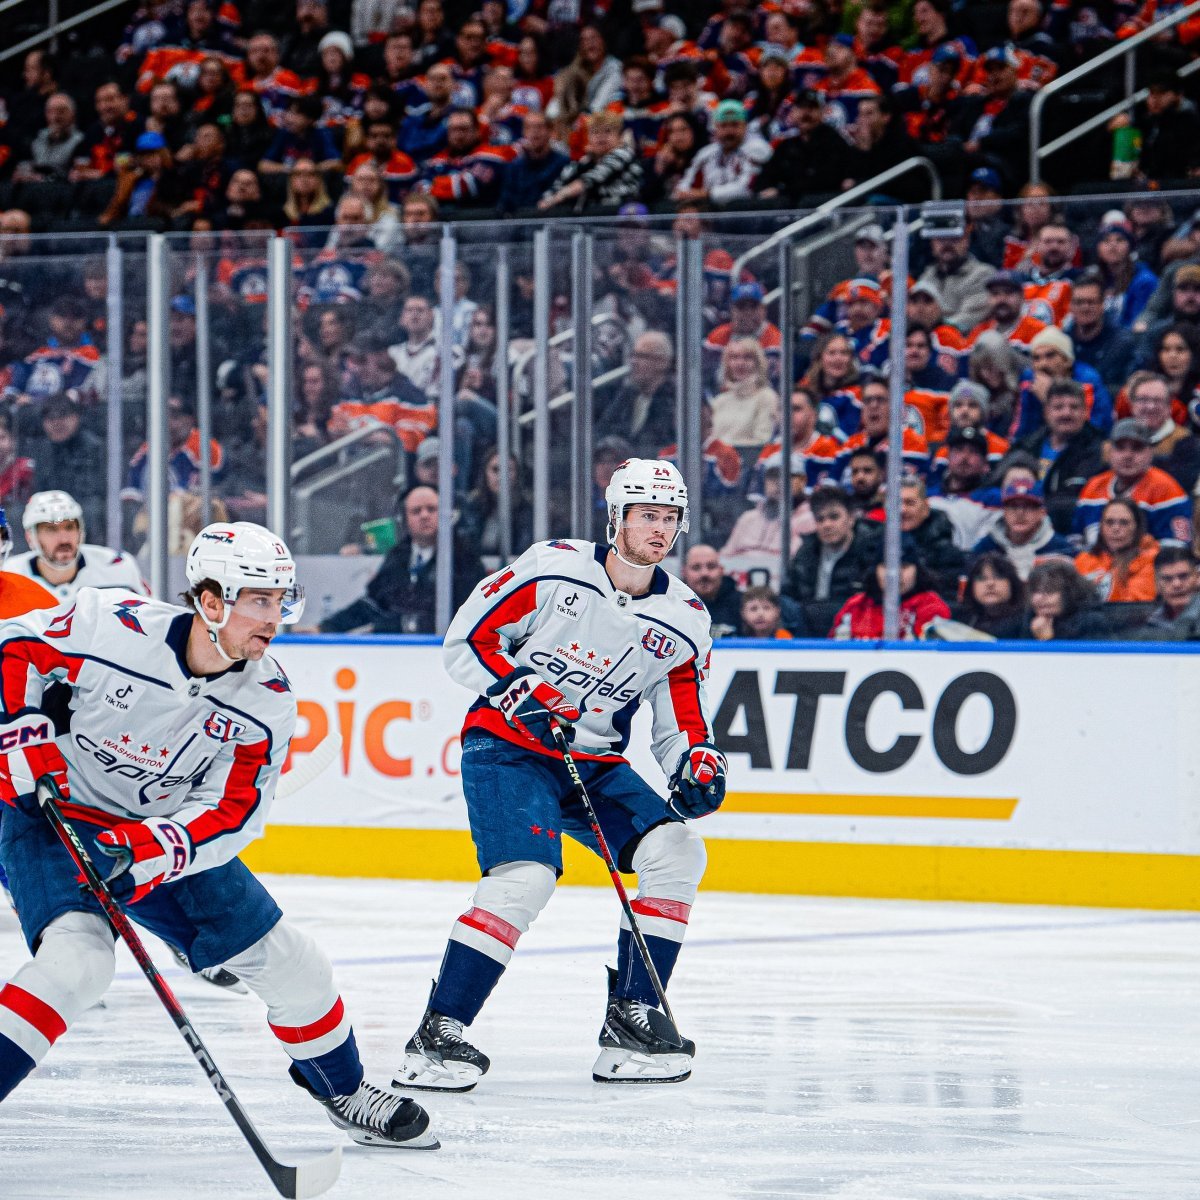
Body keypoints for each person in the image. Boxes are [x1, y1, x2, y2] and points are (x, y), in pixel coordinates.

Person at [0, 522, 438, 1147]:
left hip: (151, 838)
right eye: (260, 600)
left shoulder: (268, 700)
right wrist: (23, 728)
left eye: (281, 599)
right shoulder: (112, 625)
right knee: (79, 965)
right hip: (51, 816)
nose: (275, 616)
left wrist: (150, 851)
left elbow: (233, 813)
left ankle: (342, 1089)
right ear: (210, 602)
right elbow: (14, 647)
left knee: (295, 966)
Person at [395, 459, 724, 1089]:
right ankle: (438, 1033)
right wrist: (521, 688)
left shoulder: (685, 618)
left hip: (594, 764)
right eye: (647, 516)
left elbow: (681, 718)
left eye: (669, 518)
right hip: (509, 747)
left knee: (678, 850)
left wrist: (695, 763)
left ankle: (633, 1014)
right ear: (616, 517)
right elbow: (467, 642)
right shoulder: (552, 567)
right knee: (524, 881)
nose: (659, 530)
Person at [317, 486, 483, 634]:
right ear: (405, 519)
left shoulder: (465, 559)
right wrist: (326, 627)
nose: (424, 515)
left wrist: (392, 627)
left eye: (431, 509)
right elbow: (372, 604)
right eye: (416, 511)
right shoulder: (398, 556)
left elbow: (463, 615)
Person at [5, 490, 145, 603]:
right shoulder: (8, 575)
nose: (64, 538)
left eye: (70, 527)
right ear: (30, 537)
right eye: (51, 530)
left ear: (81, 530)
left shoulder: (117, 566)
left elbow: (152, 623)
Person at [1074, 419, 1192, 546]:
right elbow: (1075, 540)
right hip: (1094, 564)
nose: (1128, 455)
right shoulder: (1093, 486)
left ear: (1150, 452)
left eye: (1137, 448)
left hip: (1146, 564)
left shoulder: (1167, 489)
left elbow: (1178, 548)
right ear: (1110, 452)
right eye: (1120, 448)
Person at [827, 539, 950, 641]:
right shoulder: (856, 605)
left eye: (904, 566)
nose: (895, 574)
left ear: (917, 570)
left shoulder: (931, 606)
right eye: (887, 566)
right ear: (875, 570)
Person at [785, 486, 880, 608]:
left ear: (851, 518)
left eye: (834, 517)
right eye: (820, 519)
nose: (827, 525)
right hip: (807, 623)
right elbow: (788, 594)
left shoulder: (871, 551)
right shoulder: (806, 551)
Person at [971, 478, 1074, 580]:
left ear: (1042, 512)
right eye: (1013, 506)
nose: (1020, 513)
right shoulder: (985, 548)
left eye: (1028, 506)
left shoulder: (1062, 550)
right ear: (1004, 511)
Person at [1074, 497, 1159, 603]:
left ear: (1137, 527)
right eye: (1109, 522)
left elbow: (1136, 605)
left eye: (1124, 523)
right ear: (1101, 527)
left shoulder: (1152, 559)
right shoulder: (1083, 560)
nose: (1116, 528)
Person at [1018, 558, 1105, 641]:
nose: (1038, 598)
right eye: (1035, 591)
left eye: (1049, 591)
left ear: (1071, 593)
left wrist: (1046, 640)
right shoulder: (1030, 618)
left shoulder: (1092, 621)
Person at [679, 543, 741, 637]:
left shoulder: (742, 604)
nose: (704, 573)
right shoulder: (669, 606)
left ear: (721, 570)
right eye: (696, 567)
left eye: (711, 566)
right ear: (684, 572)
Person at [960, 553, 1026, 639]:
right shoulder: (960, 621)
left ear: (1012, 584)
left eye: (998, 577)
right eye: (982, 578)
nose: (990, 583)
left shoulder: (1027, 621)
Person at [1139, 546, 1200, 639]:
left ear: (1197, 578)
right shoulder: (1150, 623)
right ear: (1157, 584)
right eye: (1167, 579)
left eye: (1183, 576)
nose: (1176, 584)